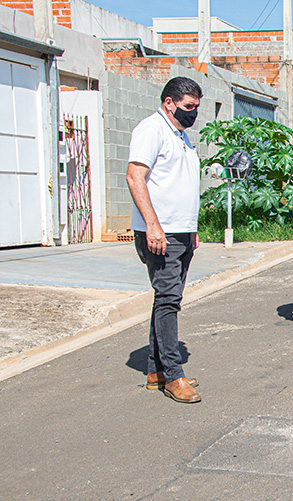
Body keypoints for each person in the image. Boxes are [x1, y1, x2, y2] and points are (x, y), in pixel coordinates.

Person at [126, 77, 203, 403]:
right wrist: (153, 226)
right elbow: (135, 176)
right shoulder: (151, 130)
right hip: (161, 232)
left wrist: (191, 227)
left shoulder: (180, 136)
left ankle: (156, 371)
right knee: (169, 300)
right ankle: (173, 375)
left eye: (196, 108)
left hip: (180, 231)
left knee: (166, 299)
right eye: (188, 107)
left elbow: (178, 183)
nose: (193, 113)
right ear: (169, 103)